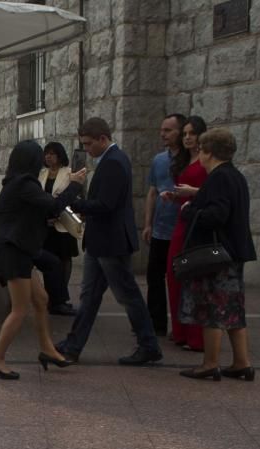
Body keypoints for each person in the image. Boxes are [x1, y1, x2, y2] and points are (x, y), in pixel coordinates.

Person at [56, 118, 162, 366]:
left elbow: (106, 205)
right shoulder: (112, 160)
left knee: (127, 295)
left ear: (103, 139)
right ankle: (73, 346)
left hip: (111, 242)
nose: (87, 149)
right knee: (89, 296)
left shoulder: (114, 162)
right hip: (101, 241)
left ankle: (148, 345)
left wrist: (77, 203)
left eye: (89, 144)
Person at [0, 141, 85, 379]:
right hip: (15, 251)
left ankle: (47, 349)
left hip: (20, 249)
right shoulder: (24, 183)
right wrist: (75, 185)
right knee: (20, 310)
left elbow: (38, 211)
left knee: (41, 300)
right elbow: (53, 206)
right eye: (40, 157)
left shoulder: (17, 183)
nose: (43, 160)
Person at [177, 128, 256, 381]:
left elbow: (217, 214)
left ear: (208, 152)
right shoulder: (235, 176)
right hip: (233, 251)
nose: (198, 153)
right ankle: (241, 362)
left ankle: (210, 363)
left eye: (201, 148)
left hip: (217, 255)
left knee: (213, 308)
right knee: (233, 309)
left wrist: (189, 210)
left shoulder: (218, 177)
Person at [164, 115, 207, 352]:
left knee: (195, 277)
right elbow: (184, 193)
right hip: (182, 221)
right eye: (186, 134)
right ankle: (180, 331)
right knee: (174, 274)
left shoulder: (207, 160)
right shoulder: (182, 160)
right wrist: (174, 196)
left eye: (192, 133)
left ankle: (197, 336)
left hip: (199, 224)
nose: (188, 138)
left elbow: (216, 191)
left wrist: (193, 191)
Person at [142, 114, 186, 336]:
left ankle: (182, 325)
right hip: (160, 228)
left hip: (182, 229)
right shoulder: (159, 160)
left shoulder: (191, 159)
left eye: (168, 130)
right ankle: (155, 322)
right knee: (154, 276)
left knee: (179, 279)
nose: (163, 134)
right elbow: (152, 192)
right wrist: (148, 223)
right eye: (162, 130)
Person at [38, 142, 79, 315]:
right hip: (46, 225)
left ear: (60, 155)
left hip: (63, 223)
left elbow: (74, 197)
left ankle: (61, 298)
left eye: (53, 154)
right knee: (49, 262)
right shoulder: (41, 173)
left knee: (64, 260)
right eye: (47, 153)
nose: (49, 157)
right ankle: (52, 298)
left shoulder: (69, 173)